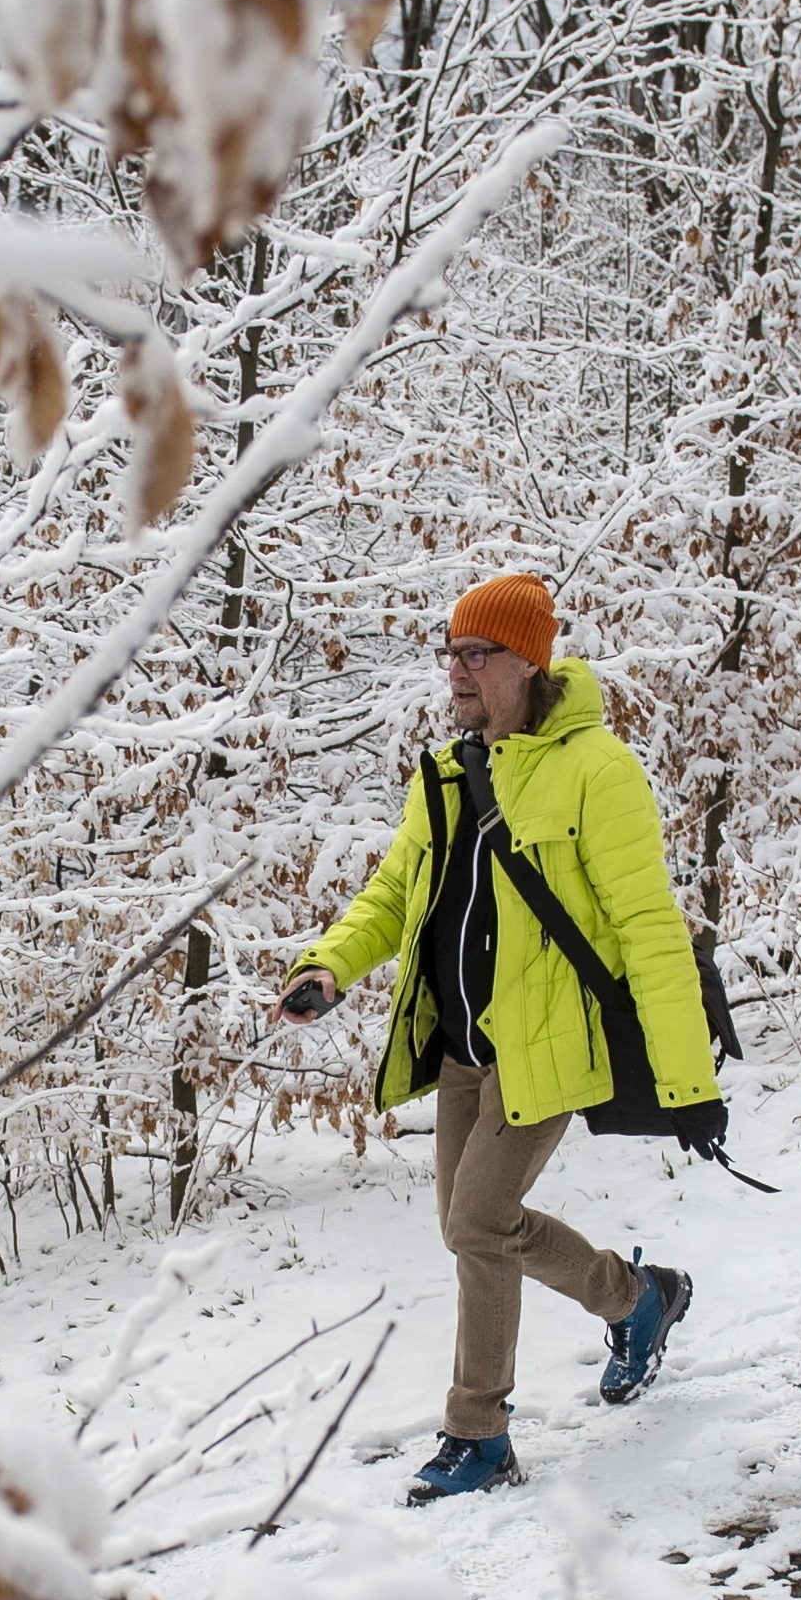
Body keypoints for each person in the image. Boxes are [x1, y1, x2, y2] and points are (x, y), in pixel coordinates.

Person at [271, 575, 727, 1503]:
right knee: (473, 1232)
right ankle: (639, 1301)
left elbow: (648, 926)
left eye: (479, 655)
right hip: (461, 1046)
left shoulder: (599, 771)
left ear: (530, 664)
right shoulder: (444, 777)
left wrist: (688, 1084)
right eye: (452, 654)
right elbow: (395, 895)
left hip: (548, 1047)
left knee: (477, 1220)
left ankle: (478, 1432)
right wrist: (331, 965)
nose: (458, 674)